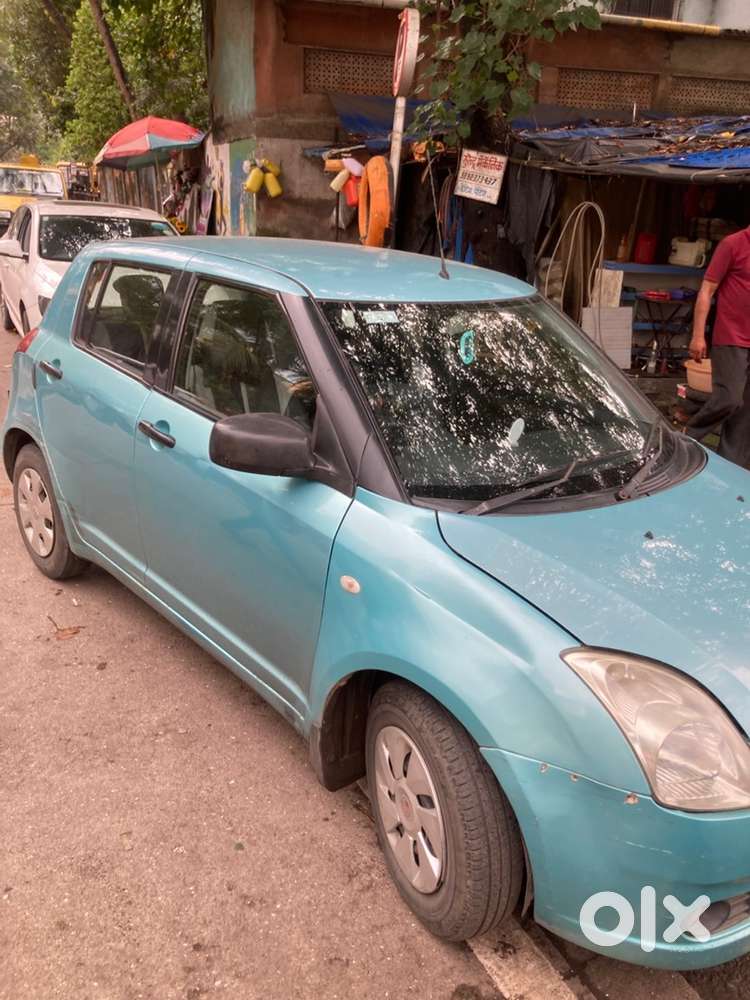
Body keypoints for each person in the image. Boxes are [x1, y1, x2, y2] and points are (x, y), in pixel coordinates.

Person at [686, 226, 750, 469]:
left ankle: (730, 466)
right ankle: (686, 435)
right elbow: (707, 290)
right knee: (730, 398)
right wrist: (698, 335)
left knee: (746, 415)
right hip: (731, 336)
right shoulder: (732, 244)